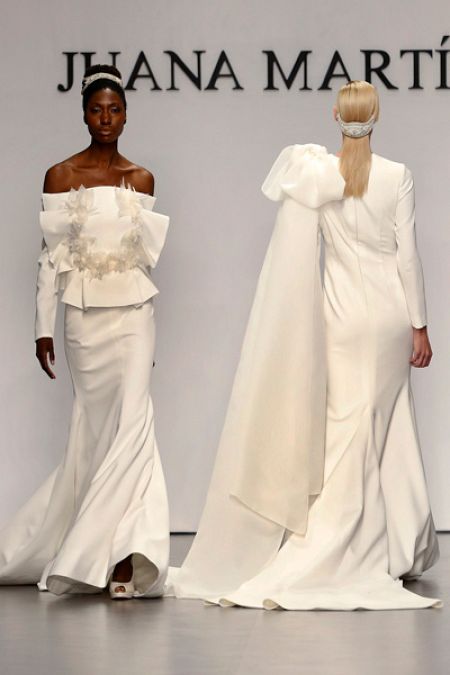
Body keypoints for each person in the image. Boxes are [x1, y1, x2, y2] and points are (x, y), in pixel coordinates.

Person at [166, 81, 441, 610]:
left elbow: (298, 257)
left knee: (349, 424)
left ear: (335, 115)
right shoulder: (397, 176)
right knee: (381, 423)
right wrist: (420, 325)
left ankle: (391, 545)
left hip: (340, 318)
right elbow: (407, 258)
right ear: (377, 116)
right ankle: (373, 544)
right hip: (388, 318)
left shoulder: (316, 175)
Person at [0, 65, 170, 600]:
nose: (106, 118)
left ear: (127, 114)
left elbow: (142, 258)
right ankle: (85, 543)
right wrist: (42, 328)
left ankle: (124, 557)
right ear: (84, 114)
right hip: (82, 318)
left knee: (134, 428)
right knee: (94, 434)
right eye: (97, 109)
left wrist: (147, 339)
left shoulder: (142, 179)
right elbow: (50, 259)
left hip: (135, 315)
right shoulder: (60, 175)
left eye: (114, 109)